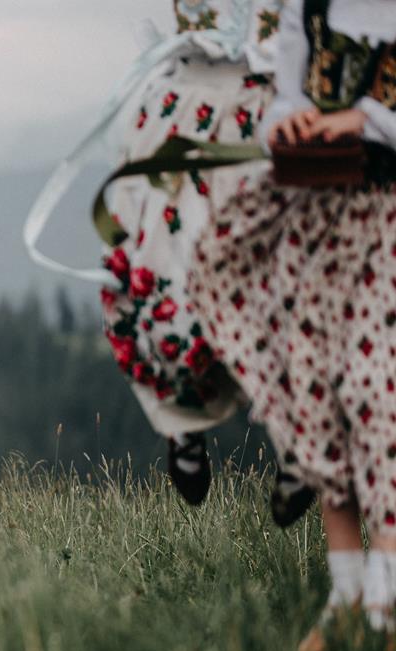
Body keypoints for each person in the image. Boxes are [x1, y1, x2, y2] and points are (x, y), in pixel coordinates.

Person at [25, 1, 303, 510]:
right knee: (162, 265)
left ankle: (298, 441)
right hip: (183, 104)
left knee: (275, 267)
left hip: (266, 104)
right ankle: (184, 426)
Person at [188, 0, 396, 651]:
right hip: (316, 219)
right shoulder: (312, 10)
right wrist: (294, 122)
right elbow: (281, 102)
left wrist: (365, 118)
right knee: (318, 393)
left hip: (388, 223)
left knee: (377, 393)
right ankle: (346, 591)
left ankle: (387, 600)